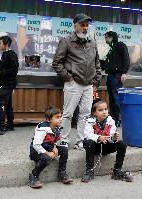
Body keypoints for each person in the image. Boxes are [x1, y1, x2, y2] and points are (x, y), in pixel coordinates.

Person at [52, 13, 102, 150]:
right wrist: (68, 77)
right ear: (75, 26)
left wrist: (96, 81)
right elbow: (57, 63)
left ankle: (81, 141)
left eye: (87, 25)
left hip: (89, 85)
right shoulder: (67, 41)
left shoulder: (92, 42)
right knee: (68, 114)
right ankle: (64, 140)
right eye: (82, 25)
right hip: (73, 83)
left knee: (85, 114)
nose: (85, 27)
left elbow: (97, 63)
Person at [81, 101, 133, 183]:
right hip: (95, 147)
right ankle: (89, 171)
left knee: (122, 144)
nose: (104, 112)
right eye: (100, 110)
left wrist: (114, 138)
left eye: (106, 109)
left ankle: (117, 171)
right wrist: (98, 137)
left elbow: (111, 136)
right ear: (94, 113)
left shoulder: (110, 121)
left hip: (105, 146)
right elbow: (88, 135)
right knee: (88, 142)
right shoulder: (90, 121)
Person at [29, 106, 73, 189]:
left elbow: (54, 140)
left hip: (48, 147)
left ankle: (62, 173)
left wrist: (54, 147)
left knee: (64, 149)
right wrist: (47, 153)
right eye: (57, 117)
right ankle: (34, 176)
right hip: (37, 151)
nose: (60, 119)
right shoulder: (43, 129)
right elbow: (36, 145)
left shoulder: (57, 127)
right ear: (49, 120)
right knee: (46, 158)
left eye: (60, 117)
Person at [100, 31, 130, 127]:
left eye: (106, 37)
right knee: (112, 98)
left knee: (116, 98)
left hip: (117, 76)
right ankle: (113, 119)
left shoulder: (120, 45)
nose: (105, 40)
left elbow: (126, 58)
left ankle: (119, 119)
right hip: (110, 76)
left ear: (111, 37)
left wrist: (124, 73)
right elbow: (105, 64)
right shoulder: (110, 49)